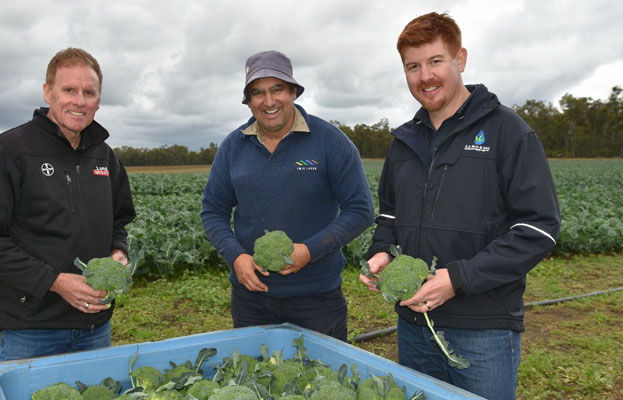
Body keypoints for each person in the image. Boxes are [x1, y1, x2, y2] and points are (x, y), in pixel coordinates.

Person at [360, 12, 561, 400]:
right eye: (413, 67)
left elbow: (538, 228)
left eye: (435, 61)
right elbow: (389, 215)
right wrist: (381, 251)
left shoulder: (509, 133)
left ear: (460, 60)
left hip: (483, 327)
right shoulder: (403, 142)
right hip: (413, 324)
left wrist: (458, 279)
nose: (425, 76)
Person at [0, 47, 136, 361]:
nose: (79, 101)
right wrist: (56, 282)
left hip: (95, 326)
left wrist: (118, 252)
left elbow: (118, 222)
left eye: (89, 92)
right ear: (48, 92)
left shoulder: (106, 158)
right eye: (69, 90)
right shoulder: (9, 151)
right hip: (32, 327)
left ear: (99, 99)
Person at [201, 50, 374, 341]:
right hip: (250, 300)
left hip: (317, 298)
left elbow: (360, 210)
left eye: (277, 89)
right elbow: (212, 211)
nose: (268, 102)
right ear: (249, 100)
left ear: (293, 91)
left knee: (322, 382)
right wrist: (236, 257)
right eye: (258, 93)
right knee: (254, 380)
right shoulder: (233, 146)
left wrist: (309, 250)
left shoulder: (329, 141)